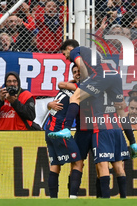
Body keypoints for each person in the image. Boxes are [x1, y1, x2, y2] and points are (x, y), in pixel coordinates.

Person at [49, 39, 137, 198]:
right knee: (82, 163)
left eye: (65, 55)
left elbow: (70, 79)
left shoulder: (80, 58)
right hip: (88, 126)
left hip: (100, 128)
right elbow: (121, 108)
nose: (66, 58)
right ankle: (74, 197)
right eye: (74, 72)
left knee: (102, 166)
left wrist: (79, 83)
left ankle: (65, 129)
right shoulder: (99, 65)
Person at [45, 65, 83, 198]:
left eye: (79, 71)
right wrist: (49, 104)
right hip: (59, 130)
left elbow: (61, 84)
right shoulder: (80, 89)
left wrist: (49, 105)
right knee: (78, 162)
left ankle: (53, 199)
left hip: (49, 130)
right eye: (75, 72)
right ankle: (73, 198)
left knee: (55, 165)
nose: (77, 74)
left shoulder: (65, 87)